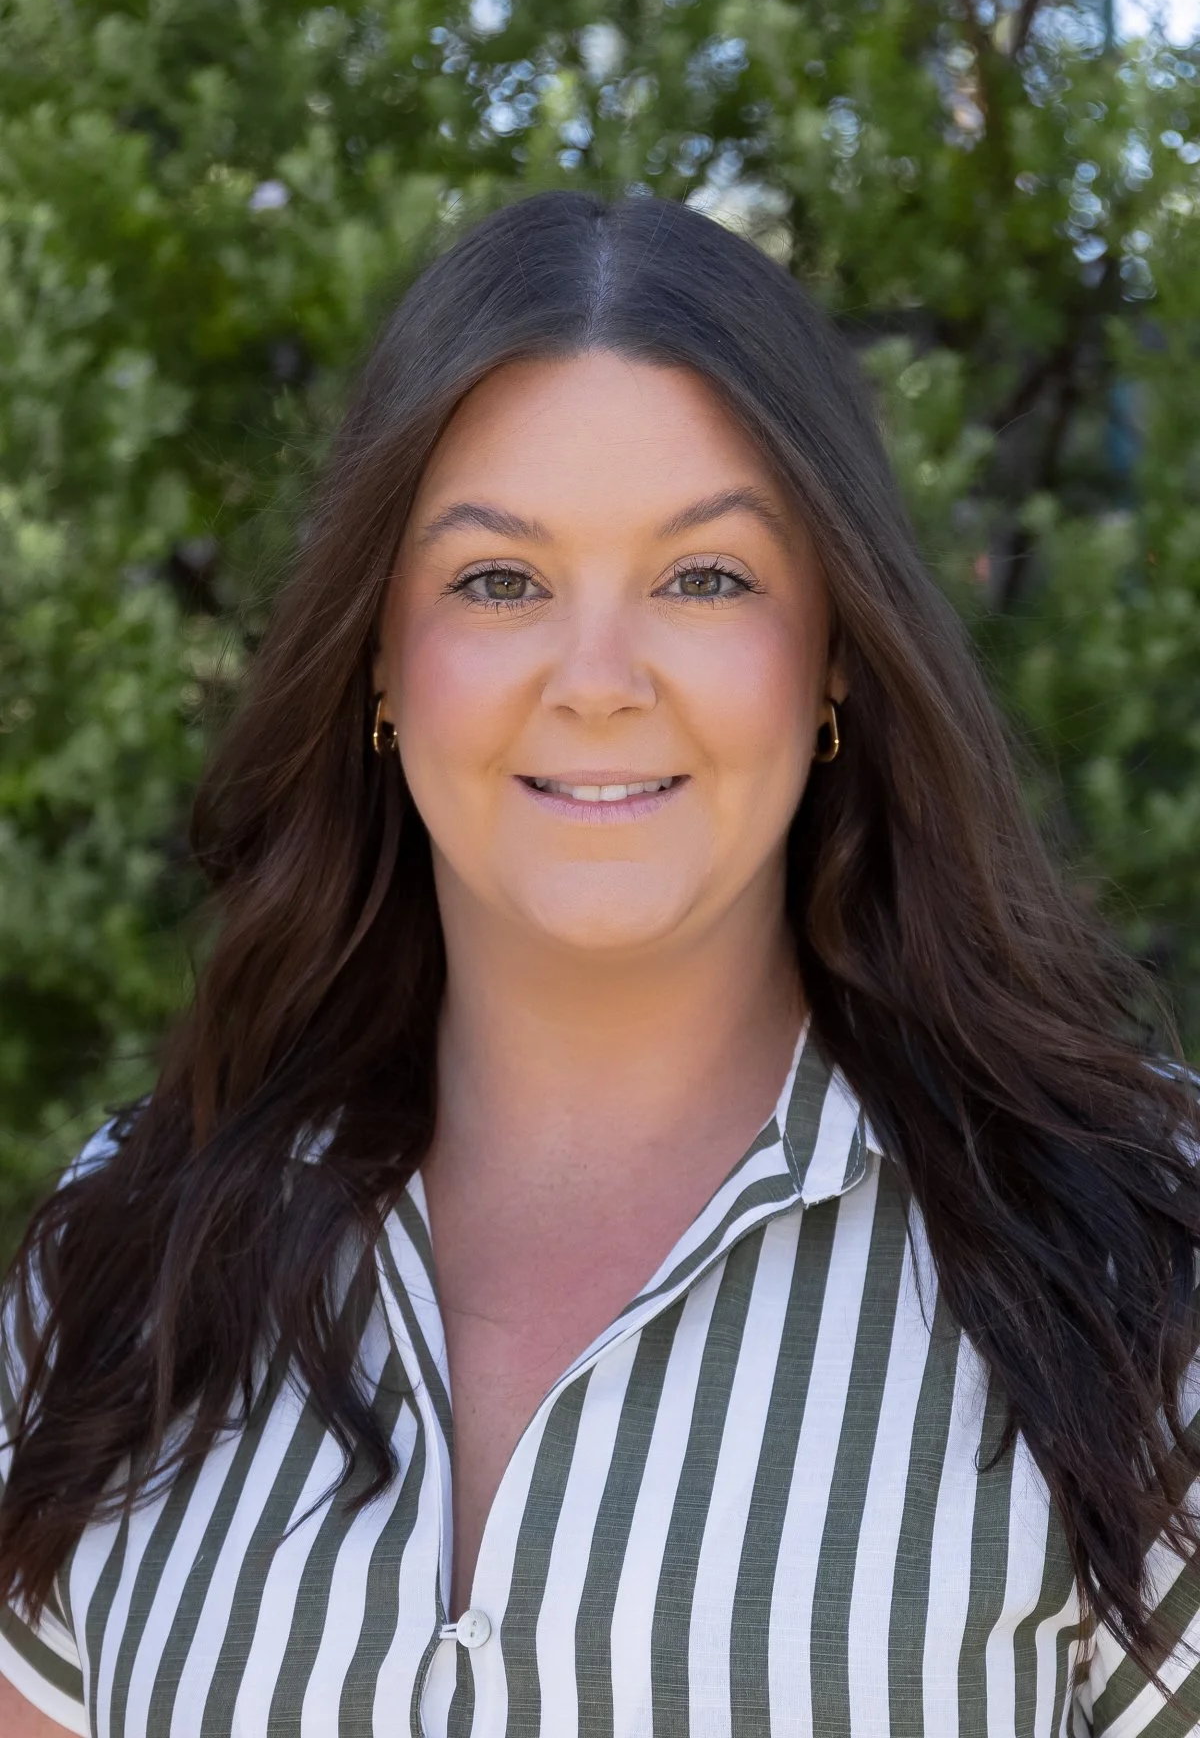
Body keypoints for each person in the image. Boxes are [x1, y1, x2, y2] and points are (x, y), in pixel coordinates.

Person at [0, 188, 1198, 1738]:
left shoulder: (1142, 1284)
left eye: (707, 578)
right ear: (377, 662)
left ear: (834, 654)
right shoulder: (121, 1272)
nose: (599, 681)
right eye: (499, 581)